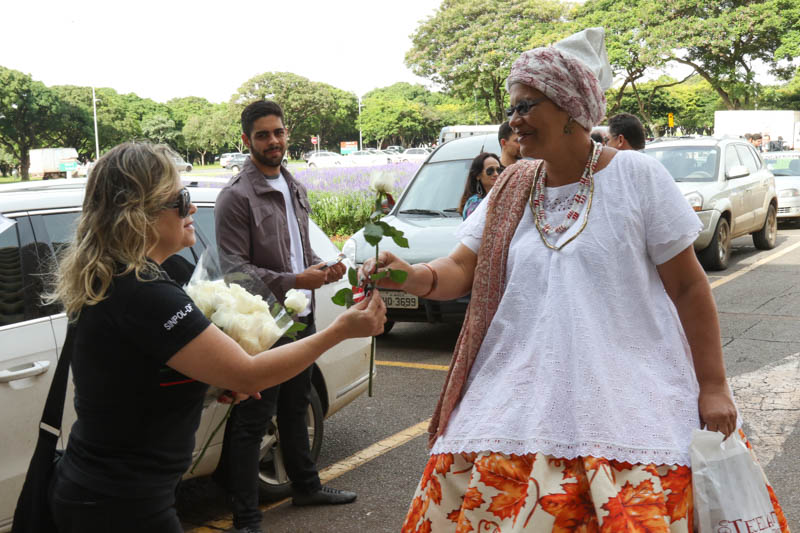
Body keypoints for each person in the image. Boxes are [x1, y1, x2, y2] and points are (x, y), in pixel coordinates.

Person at [365, 28, 789, 531]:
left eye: (526, 106)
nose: (514, 121)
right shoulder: (513, 187)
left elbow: (688, 288)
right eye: (512, 108)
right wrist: (410, 275)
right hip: (513, 404)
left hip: (633, 404)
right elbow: (460, 269)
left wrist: (714, 386)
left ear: (570, 108)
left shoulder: (637, 178)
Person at [45, 141, 385, 533]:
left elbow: (139, 379)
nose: (191, 208)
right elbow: (248, 374)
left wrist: (207, 383)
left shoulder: (123, 277)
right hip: (121, 503)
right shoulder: (144, 293)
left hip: (109, 491)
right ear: (139, 214)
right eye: (180, 198)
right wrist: (340, 331)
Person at [213, 100, 355, 533]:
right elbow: (234, 270)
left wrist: (326, 266)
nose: (273, 141)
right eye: (262, 134)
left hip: (301, 317)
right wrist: (295, 279)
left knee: (295, 408)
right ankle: (246, 518)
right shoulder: (236, 197)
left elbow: (298, 249)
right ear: (246, 140)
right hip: (265, 325)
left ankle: (306, 486)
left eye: (278, 132)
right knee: (254, 421)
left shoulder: (293, 186)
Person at [458, 152, 502, 220]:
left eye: (499, 170)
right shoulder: (474, 204)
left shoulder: (504, 198)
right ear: (478, 175)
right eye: (490, 170)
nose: (496, 174)